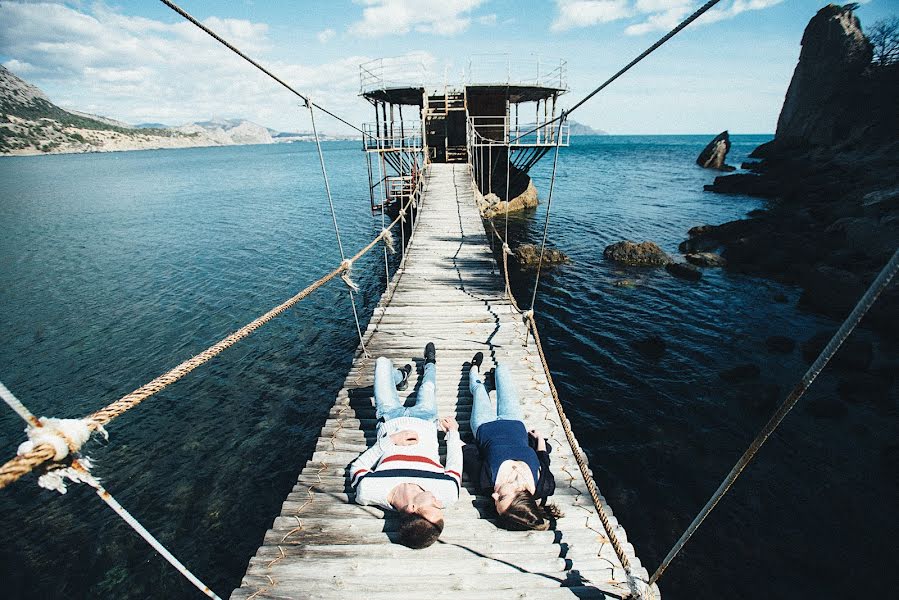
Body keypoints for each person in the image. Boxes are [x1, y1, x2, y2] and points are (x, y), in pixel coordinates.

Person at [350, 342, 463, 549]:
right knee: (428, 386)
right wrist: (453, 433)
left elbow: (357, 467)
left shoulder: (369, 491)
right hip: (427, 420)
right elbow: (455, 464)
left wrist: (389, 442)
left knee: (382, 364)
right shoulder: (447, 493)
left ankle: (400, 376)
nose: (440, 503)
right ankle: (429, 363)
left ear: (412, 508)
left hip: (389, 417)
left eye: (433, 506)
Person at [464, 351, 562, 531]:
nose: (493, 496)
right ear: (520, 495)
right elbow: (543, 458)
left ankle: (473, 369)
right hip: (514, 422)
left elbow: (469, 453)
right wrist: (539, 438)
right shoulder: (544, 485)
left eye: (495, 503)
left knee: (479, 390)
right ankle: (496, 373)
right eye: (500, 498)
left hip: (484, 426)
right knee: (503, 373)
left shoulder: (487, 484)